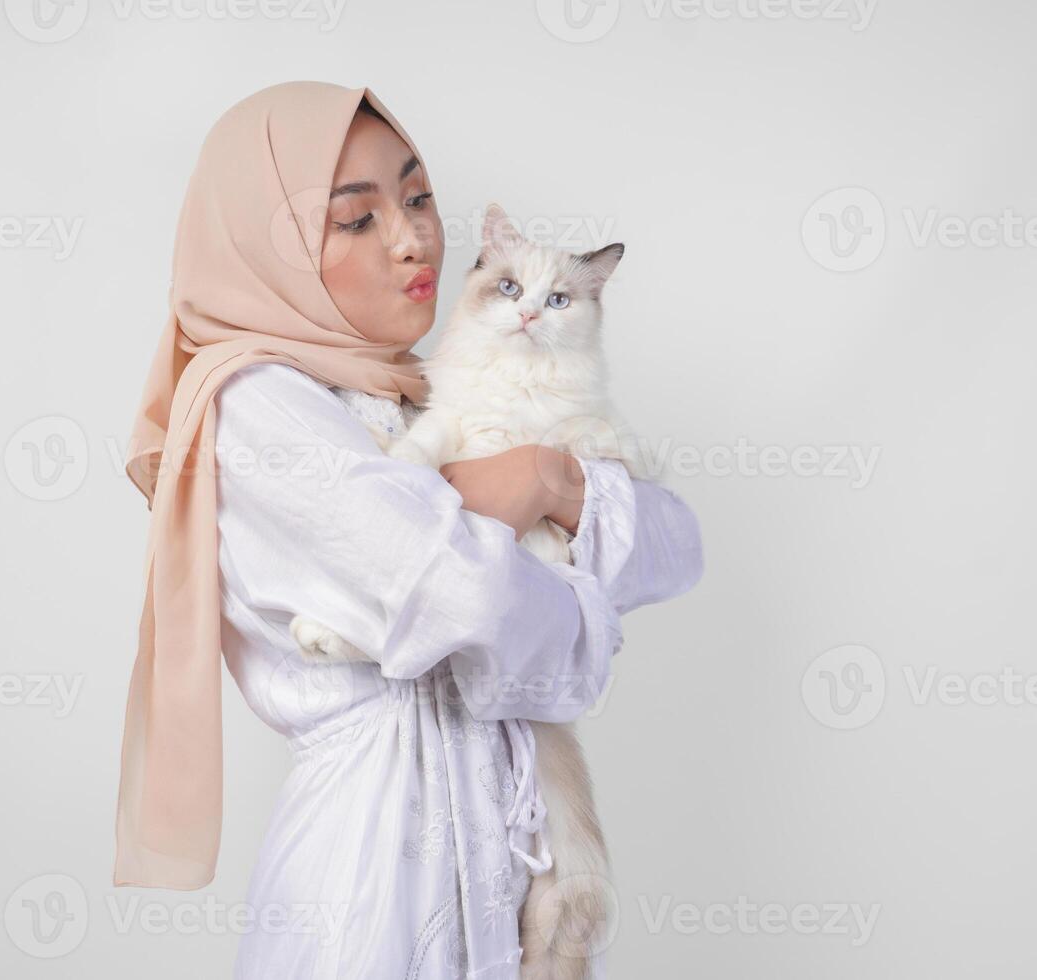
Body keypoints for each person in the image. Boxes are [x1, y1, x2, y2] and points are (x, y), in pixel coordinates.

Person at [116, 80, 703, 979]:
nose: (413, 236)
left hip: (497, 845)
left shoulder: (415, 391)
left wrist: (538, 477)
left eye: (420, 197)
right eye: (357, 220)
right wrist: (556, 528)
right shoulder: (254, 403)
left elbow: (676, 544)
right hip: (376, 865)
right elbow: (461, 593)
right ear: (262, 247)